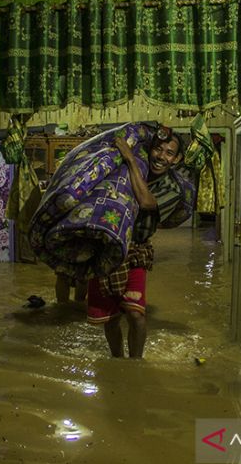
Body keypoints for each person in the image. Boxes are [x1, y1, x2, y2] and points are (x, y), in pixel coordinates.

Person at [86, 125, 187, 358]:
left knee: (136, 314)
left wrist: (129, 159)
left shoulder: (172, 189)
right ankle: (118, 361)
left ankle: (136, 364)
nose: (161, 157)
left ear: (176, 159)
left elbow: (146, 202)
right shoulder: (131, 168)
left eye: (169, 153)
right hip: (106, 247)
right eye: (158, 149)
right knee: (110, 316)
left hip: (136, 251)